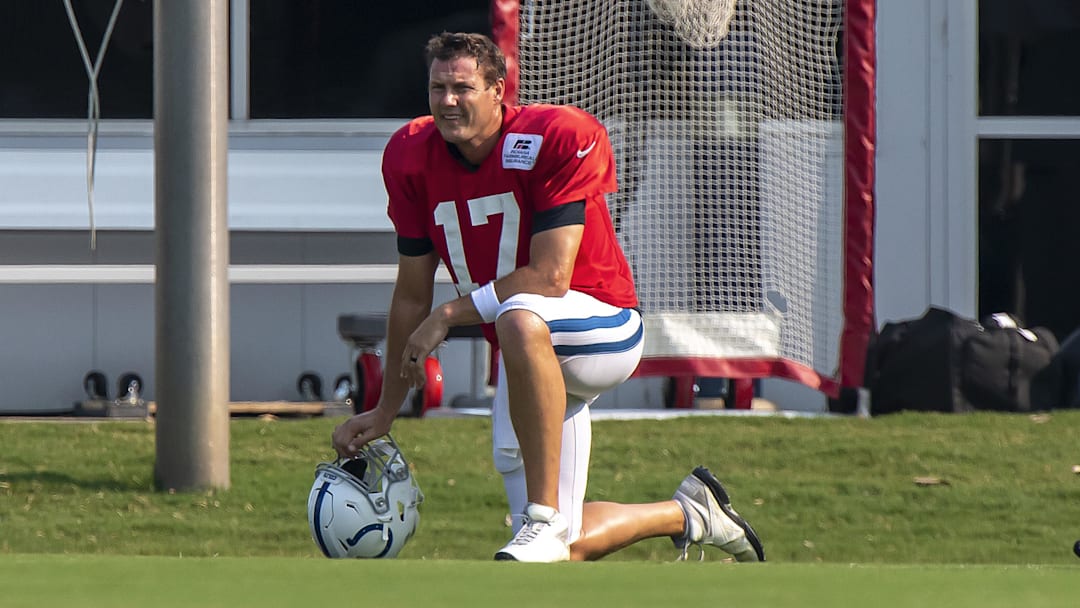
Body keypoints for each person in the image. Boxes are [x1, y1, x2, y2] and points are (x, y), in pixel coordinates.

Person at [331, 31, 764, 563]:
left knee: (520, 316)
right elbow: (409, 297)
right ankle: (692, 512)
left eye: (462, 88)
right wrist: (384, 411)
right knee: (565, 546)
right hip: (526, 348)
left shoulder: (555, 136)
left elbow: (551, 276)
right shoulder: (410, 156)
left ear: (497, 89)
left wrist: (451, 313)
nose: (447, 101)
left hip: (602, 327)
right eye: (437, 87)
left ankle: (541, 514)